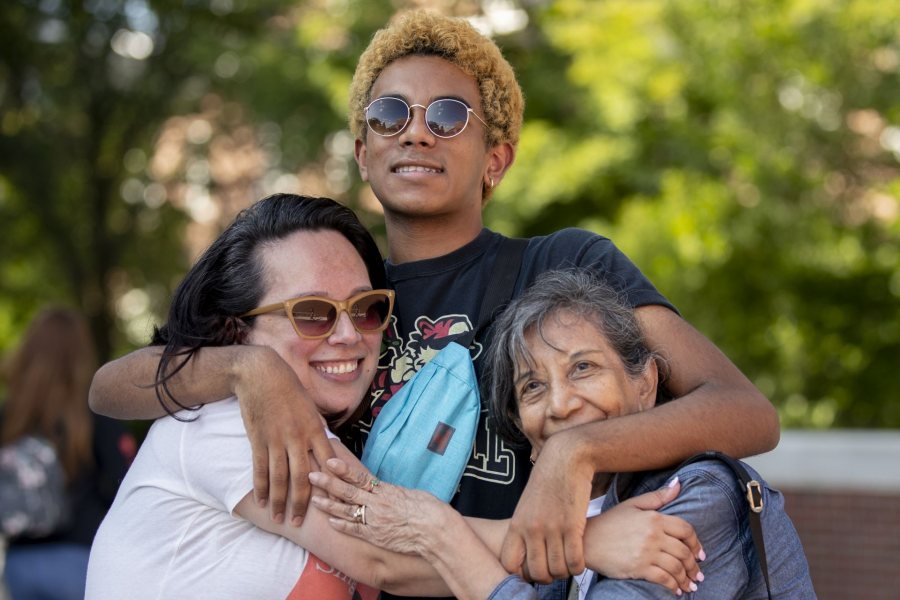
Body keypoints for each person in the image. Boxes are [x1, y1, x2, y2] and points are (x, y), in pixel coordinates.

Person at [89, 8, 780, 590]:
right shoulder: (341, 310)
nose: (416, 131)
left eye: (448, 116)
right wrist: (248, 370)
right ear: (363, 151)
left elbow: (745, 412)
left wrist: (579, 453)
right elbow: (113, 387)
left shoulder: (565, 265)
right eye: (390, 114)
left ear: (495, 160)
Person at [84, 195, 705, 599]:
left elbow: (404, 541)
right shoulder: (225, 420)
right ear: (234, 328)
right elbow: (381, 558)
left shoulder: (317, 433)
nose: (350, 334)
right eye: (311, 313)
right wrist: (587, 543)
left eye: (368, 308)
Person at [309, 270, 816, 599]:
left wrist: (438, 530)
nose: (561, 403)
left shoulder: (701, 493)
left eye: (584, 368)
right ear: (526, 434)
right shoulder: (564, 523)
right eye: (533, 387)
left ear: (646, 383)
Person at [1, 307, 135, 600]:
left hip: (19, 563)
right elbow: (123, 485)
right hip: (79, 558)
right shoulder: (94, 412)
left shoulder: (9, 416)